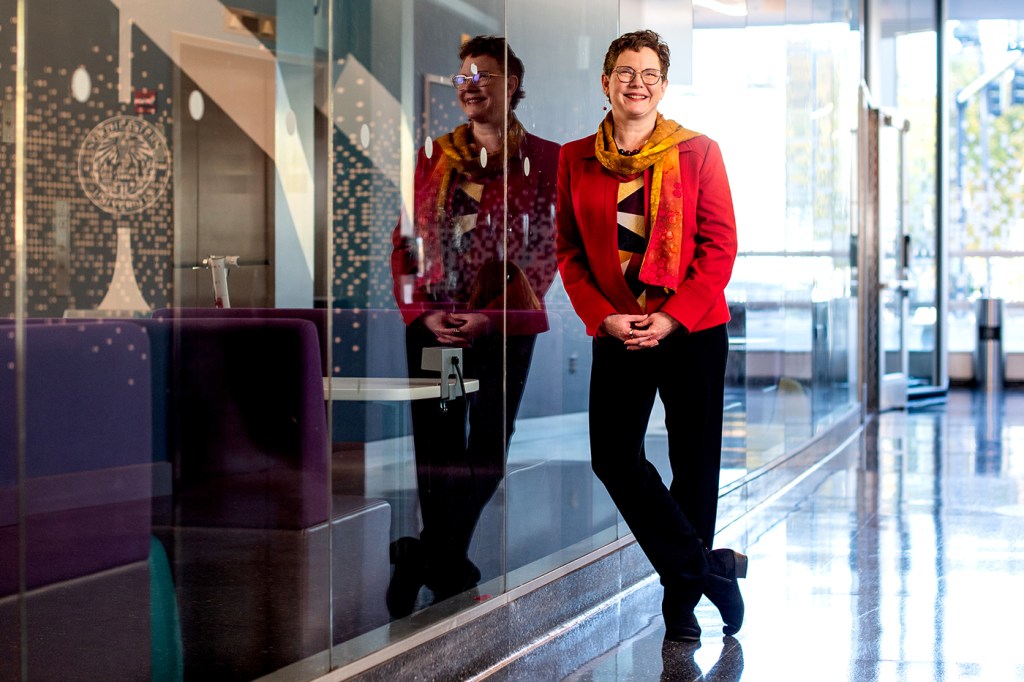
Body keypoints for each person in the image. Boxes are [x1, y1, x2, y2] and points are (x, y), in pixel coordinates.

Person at [555, 29, 745, 642]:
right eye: (625, 72)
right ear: (605, 81)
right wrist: (601, 317)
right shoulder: (573, 157)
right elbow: (568, 253)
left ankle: (680, 605)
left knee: (695, 465)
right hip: (617, 328)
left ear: (662, 86)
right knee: (613, 457)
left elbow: (720, 248)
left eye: (649, 74)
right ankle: (705, 571)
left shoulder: (699, 152)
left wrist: (673, 316)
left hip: (690, 330)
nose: (637, 83)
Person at [388, 35, 560, 617]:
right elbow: (406, 242)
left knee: (486, 449)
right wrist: (422, 312)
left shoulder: (542, 158)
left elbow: (547, 248)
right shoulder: (433, 156)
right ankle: (448, 568)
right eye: (464, 75)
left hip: (503, 331)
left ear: (512, 85)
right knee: (441, 446)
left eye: (485, 74)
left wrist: (493, 316)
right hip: (442, 330)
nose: (472, 84)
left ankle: (423, 556)